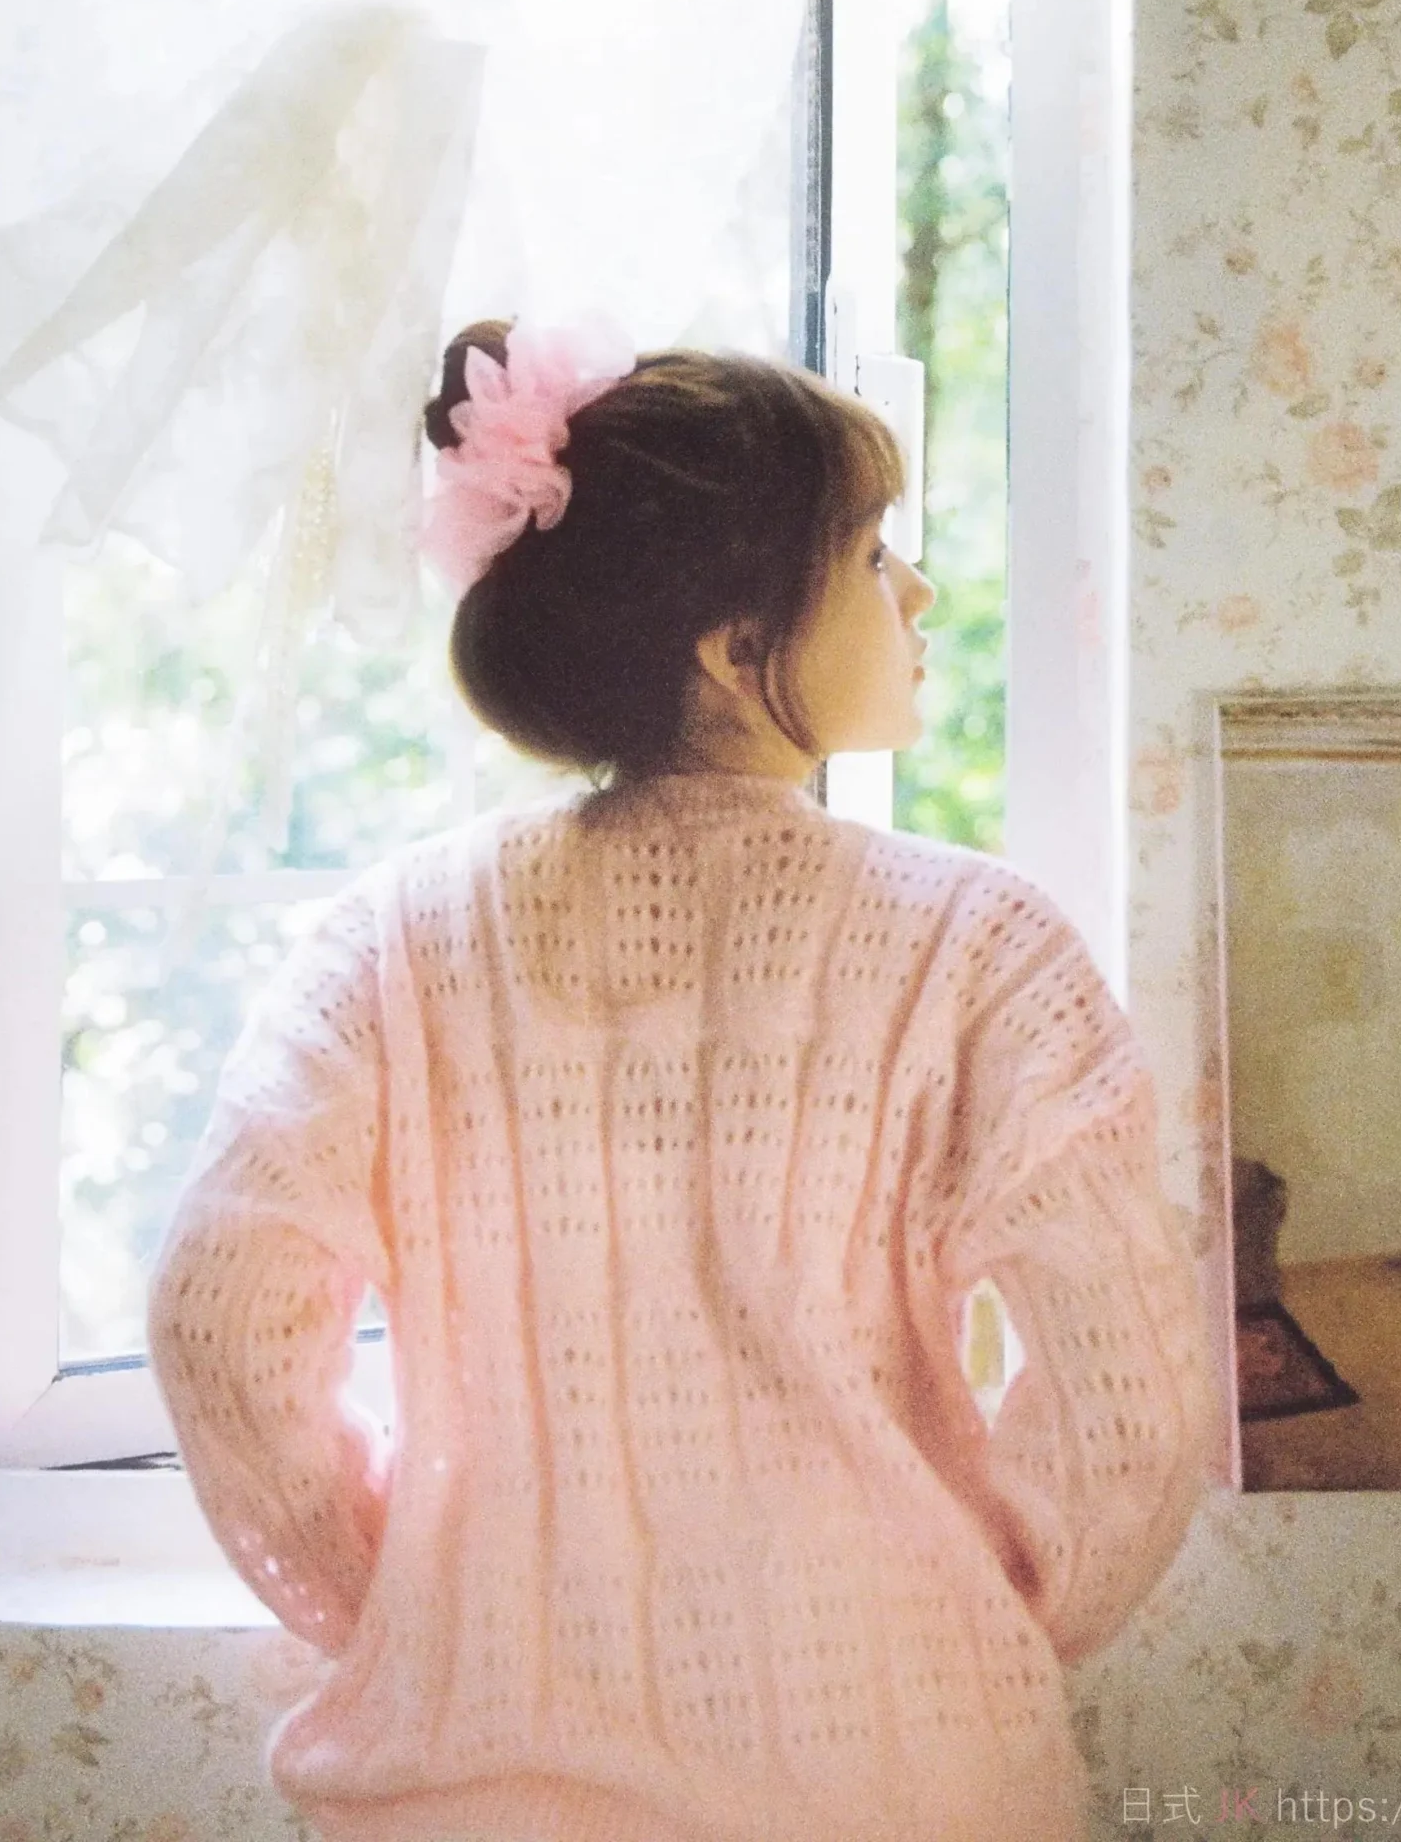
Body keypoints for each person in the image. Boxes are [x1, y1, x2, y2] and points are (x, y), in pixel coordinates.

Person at [148, 318, 1213, 1842]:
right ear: (731, 642)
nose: (918, 592)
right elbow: (1134, 1402)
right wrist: (974, 1607)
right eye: (871, 555)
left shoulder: (392, 942)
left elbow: (217, 1317)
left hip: (471, 1798)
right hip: (898, 1787)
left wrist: (404, 1599)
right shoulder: (979, 947)